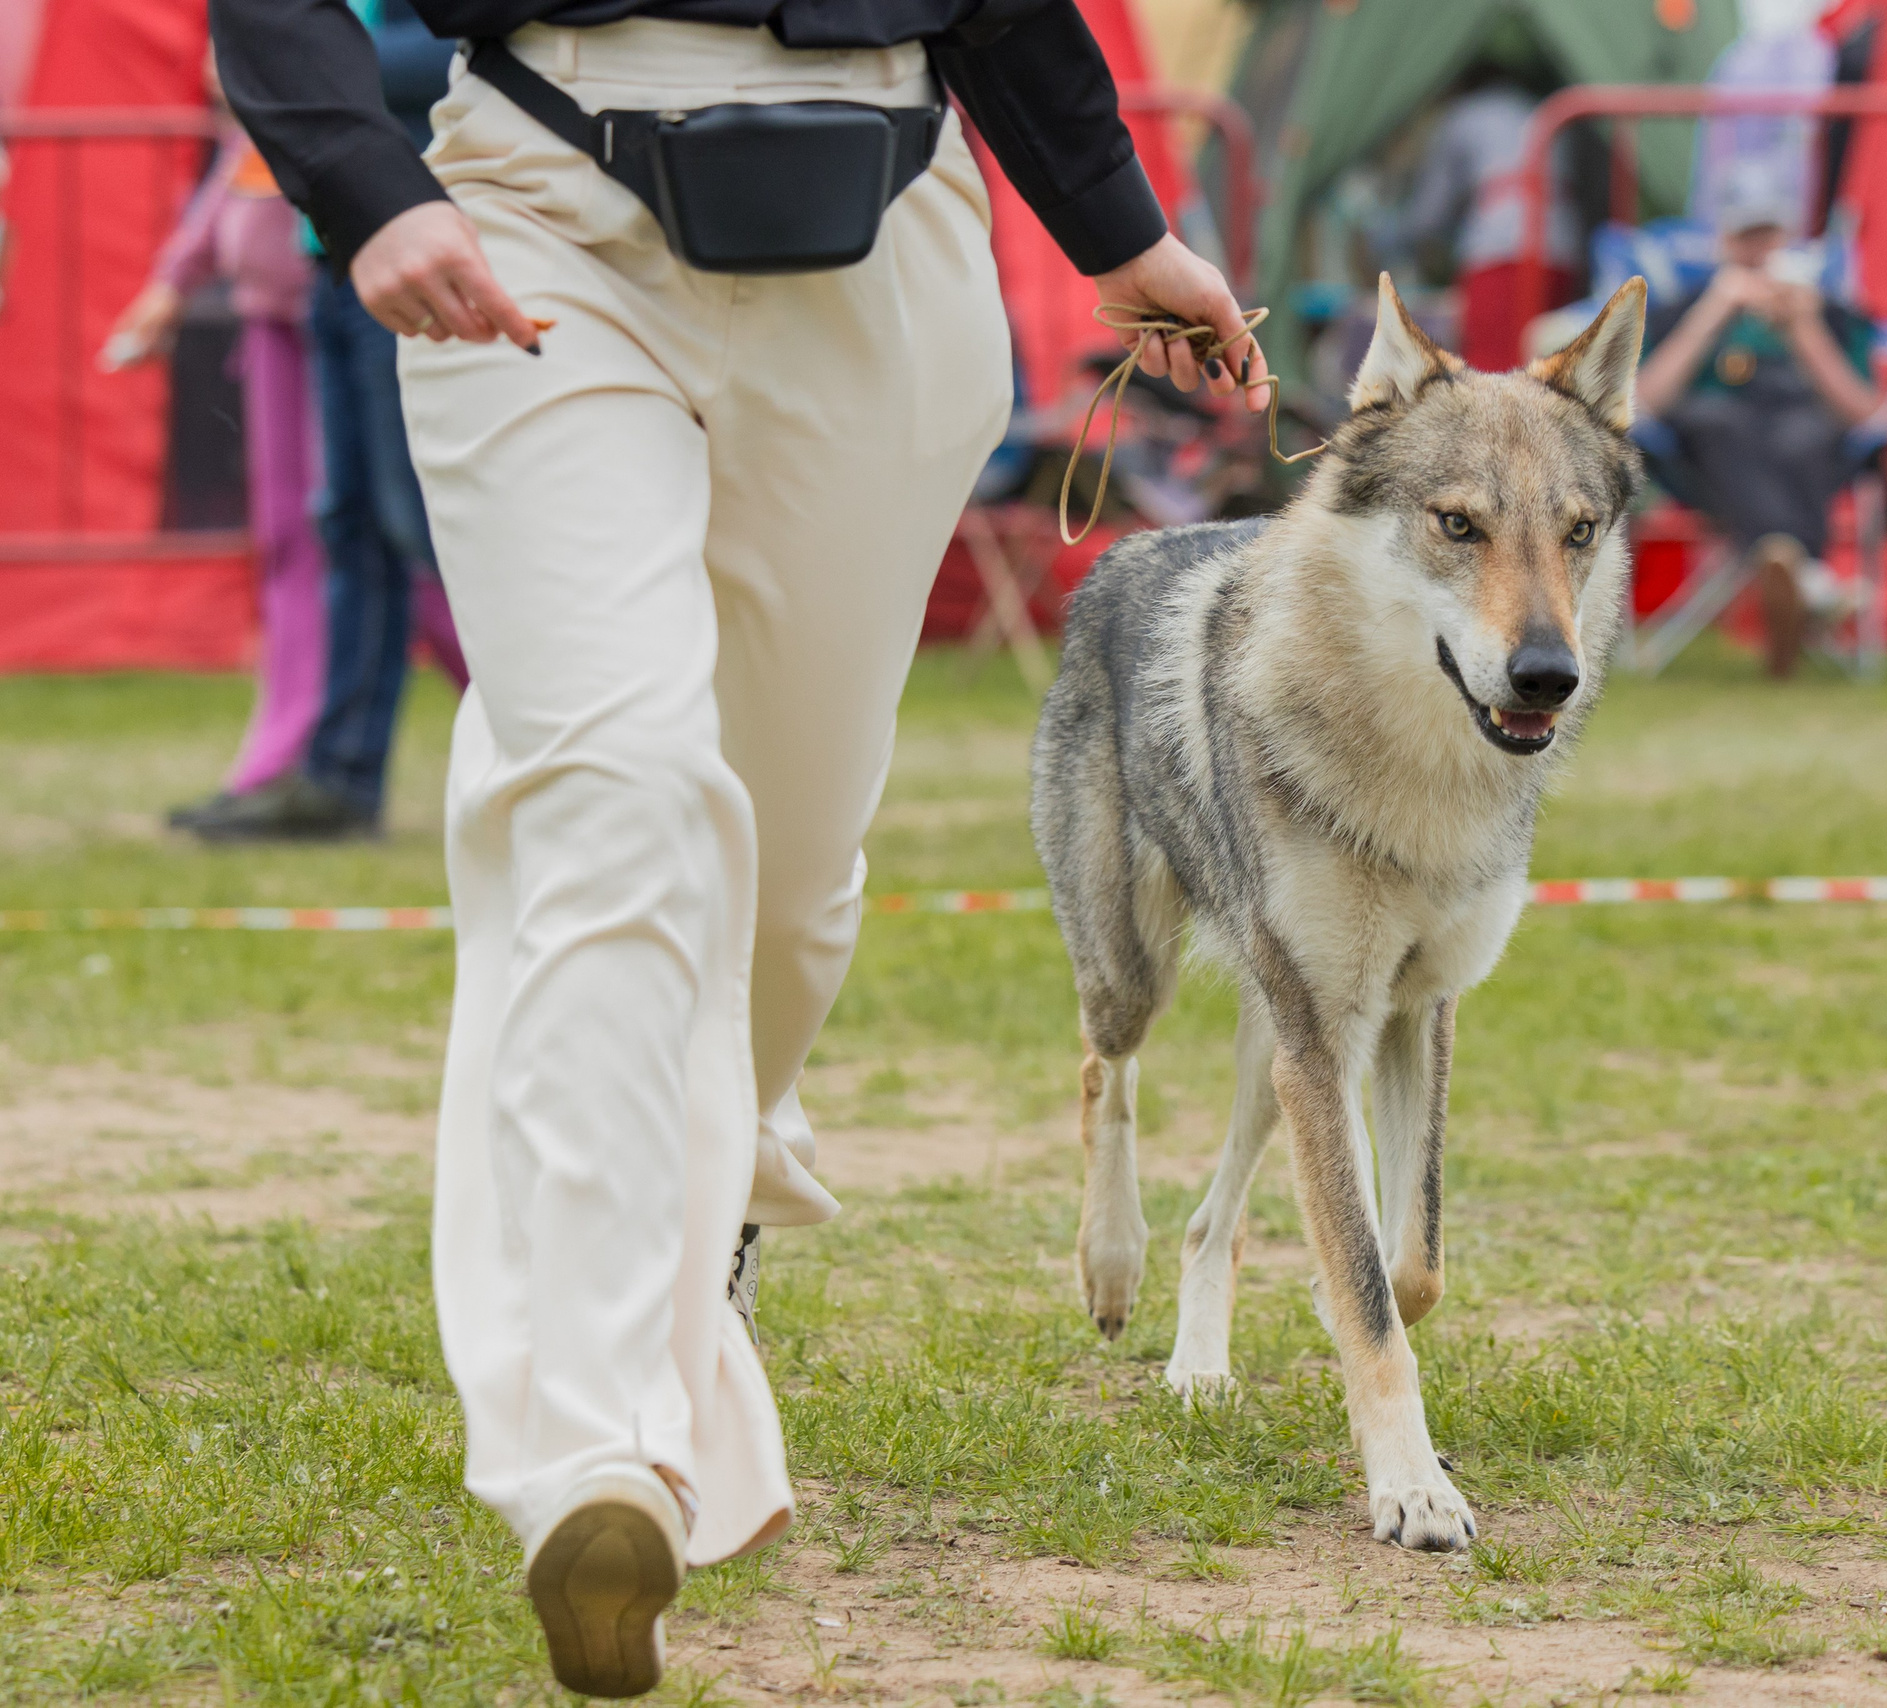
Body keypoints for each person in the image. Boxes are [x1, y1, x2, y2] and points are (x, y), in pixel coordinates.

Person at [207, 0, 1268, 1694]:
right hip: (534, 206)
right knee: (613, 800)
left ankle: (710, 1201)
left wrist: (1117, 228)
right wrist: (362, 177)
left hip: (887, 222)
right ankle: (601, 1450)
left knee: (787, 877)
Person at [201, 0, 468, 843]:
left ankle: (565, 751)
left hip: (426, 257)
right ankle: (339, 777)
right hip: (336, 258)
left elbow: (471, 57)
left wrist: (304, 72)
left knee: (428, 527)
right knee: (351, 527)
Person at [102, 73, 326, 830]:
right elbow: (230, 183)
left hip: (338, 322)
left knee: (388, 540)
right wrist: (168, 286)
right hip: (271, 325)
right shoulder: (253, 115)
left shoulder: (316, 72)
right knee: (292, 542)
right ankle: (278, 756)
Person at [1632, 171, 1878, 676]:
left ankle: (1786, 567)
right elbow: (1644, 403)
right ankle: (1808, 580)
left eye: (1768, 236)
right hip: (1708, 460)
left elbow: (1864, 415)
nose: (1758, 252)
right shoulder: (1683, 309)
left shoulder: (1828, 313)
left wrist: (1804, 329)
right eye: (1747, 237)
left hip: (1804, 450)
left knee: (1805, 434)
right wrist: (1713, 313)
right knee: (1720, 422)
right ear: (1723, 242)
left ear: (1788, 240)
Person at [1389, 58, 1581, 372]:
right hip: (1562, 252)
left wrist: (1393, 240)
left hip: (1498, 254)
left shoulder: (1463, 116)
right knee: (1551, 366)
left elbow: (1427, 216)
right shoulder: (1540, 110)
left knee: (1490, 370)